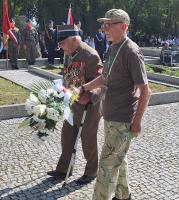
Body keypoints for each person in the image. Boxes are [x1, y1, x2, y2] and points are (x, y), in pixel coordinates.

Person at [82, 9, 152, 200]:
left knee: (106, 167)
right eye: (104, 24)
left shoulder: (131, 51)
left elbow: (145, 91)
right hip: (110, 116)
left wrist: (137, 122)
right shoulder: (113, 46)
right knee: (118, 160)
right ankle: (124, 195)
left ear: (123, 26)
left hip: (123, 119)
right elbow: (106, 76)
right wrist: (85, 87)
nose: (104, 28)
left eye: (109, 24)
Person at [46, 24, 103, 185]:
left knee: (87, 140)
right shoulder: (69, 53)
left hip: (89, 107)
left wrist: (90, 95)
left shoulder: (90, 55)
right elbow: (68, 75)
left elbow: (101, 83)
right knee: (67, 137)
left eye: (62, 43)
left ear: (73, 40)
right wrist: (61, 89)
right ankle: (64, 169)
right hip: (71, 102)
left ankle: (92, 171)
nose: (60, 47)